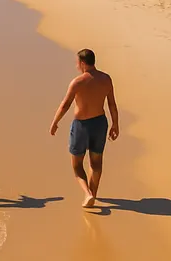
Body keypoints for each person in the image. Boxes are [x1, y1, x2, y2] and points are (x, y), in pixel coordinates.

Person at [49, 49, 119, 208]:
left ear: (82, 63)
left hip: (81, 125)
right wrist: (115, 124)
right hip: (100, 123)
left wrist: (55, 122)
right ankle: (92, 195)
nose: (76, 65)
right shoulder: (106, 79)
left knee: (77, 164)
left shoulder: (78, 82)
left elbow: (65, 105)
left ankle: (87, 194)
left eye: (77, 62)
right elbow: (112, 104)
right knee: (96, 163)